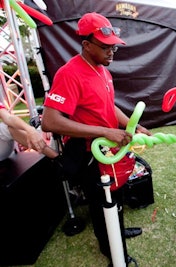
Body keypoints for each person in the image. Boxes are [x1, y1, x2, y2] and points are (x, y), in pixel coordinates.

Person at [41, 12, 151, 266]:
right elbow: (50, 121)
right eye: (105, 47)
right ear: (86, 44)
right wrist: (103, 131)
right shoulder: (70, 73)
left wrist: (135, 125)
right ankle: (112, 251)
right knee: (103, 204)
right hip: (90, 153)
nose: (111, 53)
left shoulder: (102, 69)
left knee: (116, 196)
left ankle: (117, 232)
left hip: (110, 150)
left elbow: (108, 106)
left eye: (114, 47)